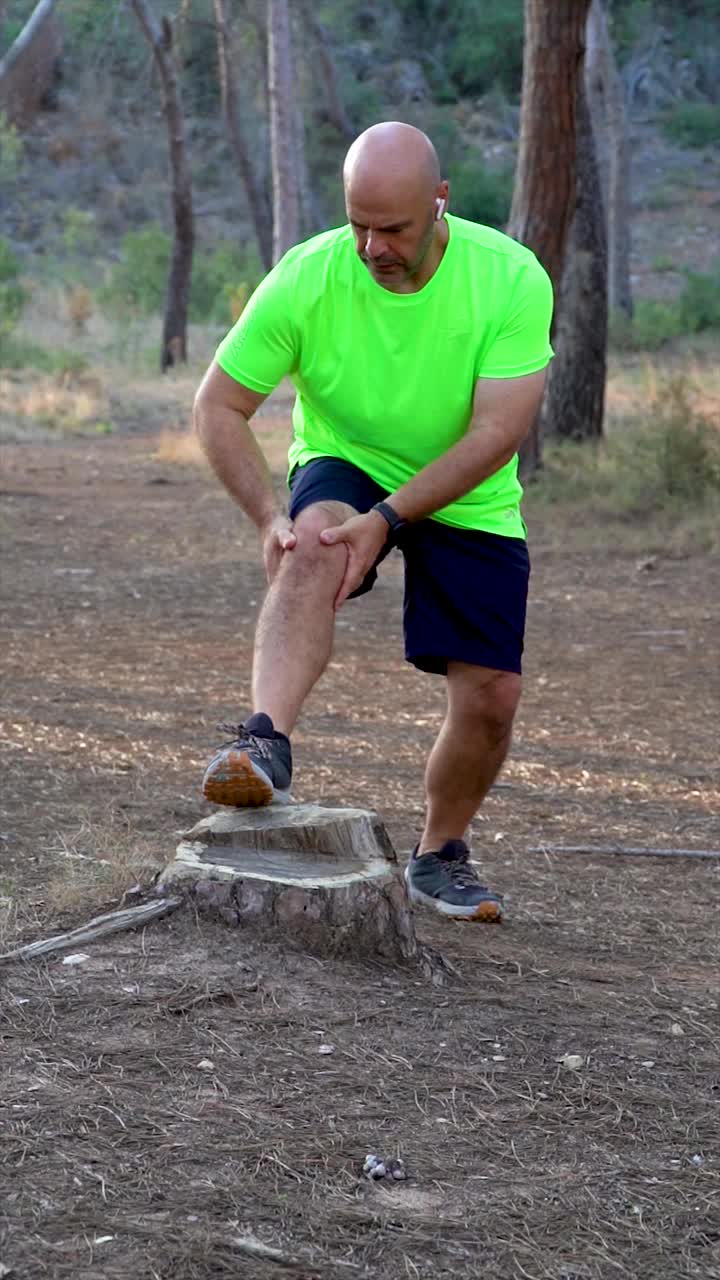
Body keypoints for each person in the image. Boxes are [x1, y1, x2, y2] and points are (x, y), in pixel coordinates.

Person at [193, 121, 553, 924]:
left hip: (467, 482)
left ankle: (440, 854)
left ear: (440, 202)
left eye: (392, 228)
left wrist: (389, 519)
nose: (372, 246)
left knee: (493, 693)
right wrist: (266, 514)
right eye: (359, 223)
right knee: (312, 540)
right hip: (347, 455)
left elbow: (497, 434)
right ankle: (264, 741)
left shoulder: (510, 279)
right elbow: (218, 404)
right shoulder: (309, 276)